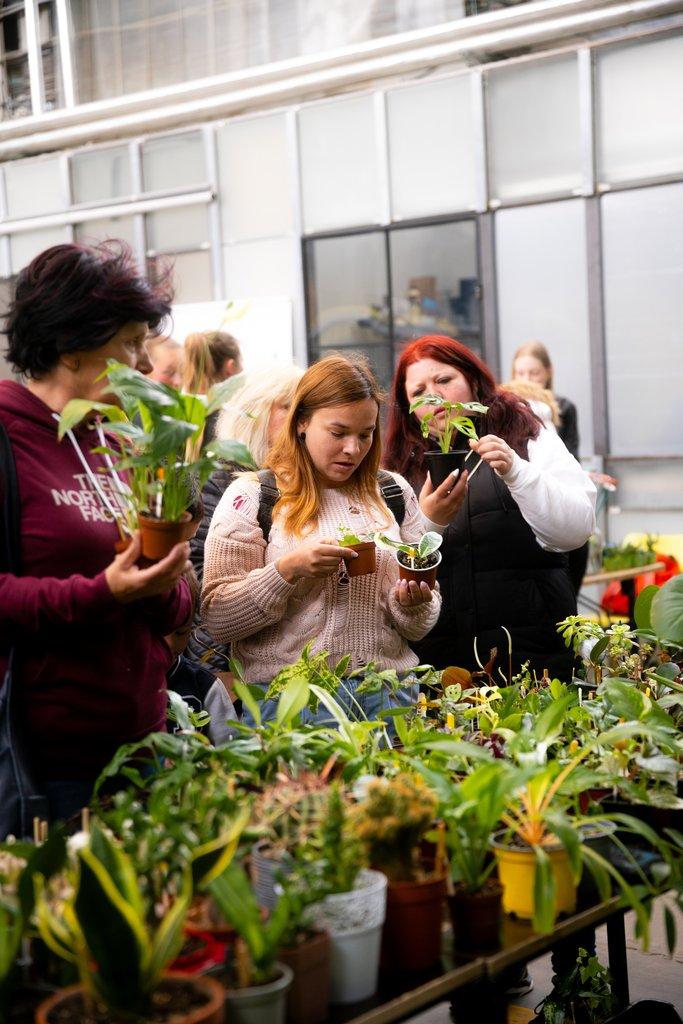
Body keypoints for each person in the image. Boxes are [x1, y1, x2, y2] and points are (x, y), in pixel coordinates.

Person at [0, 241, 192, 822]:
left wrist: (167, 582)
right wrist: (103, 593)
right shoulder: (8, 436)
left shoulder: (118, 440)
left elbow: (169, 601)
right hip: (47, 764)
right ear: (70, 345)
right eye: (130, 342)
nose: (144, 364)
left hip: (146, 746)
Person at [201, 354, 441, 724]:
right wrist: (287, 571)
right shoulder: (252, 496)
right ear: (301, 423)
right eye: (338, 433)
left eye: (365, 434)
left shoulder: (393, 493)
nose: (353, 449)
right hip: (291, 703)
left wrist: (413, 604)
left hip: (389, 696)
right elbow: (219, 618)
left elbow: (418, 625)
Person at [383, 335, 596, 682]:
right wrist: (430, 522)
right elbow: (388, 575)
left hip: (532, 660)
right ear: (407, 407)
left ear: (472, 378)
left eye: (444, 379)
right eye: (418, 391)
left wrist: (516, 472)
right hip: (440, 668)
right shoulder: (398, 467)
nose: (434, 395)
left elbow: (576, 529)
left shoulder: (524, 432)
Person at [187, 363, 304, 678]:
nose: (300, 416)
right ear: (256, 412)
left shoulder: (307, 480)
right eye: (288, 405)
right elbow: (202, 579)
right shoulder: (221, 480)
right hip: (226, 658)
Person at [510, 340, 616, 594]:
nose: (527, 379)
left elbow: (570, 459)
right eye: (520, 373)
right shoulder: (508, 410)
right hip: (522, 502)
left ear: (548, 372)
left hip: (555, 491)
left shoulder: (562, 408)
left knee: (574, 546)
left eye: (534, 373)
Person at [181, 330, 244, 442]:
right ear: (230, 367)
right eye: (241, 363)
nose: (242, 369)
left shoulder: (178, 414)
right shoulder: (231, 422)